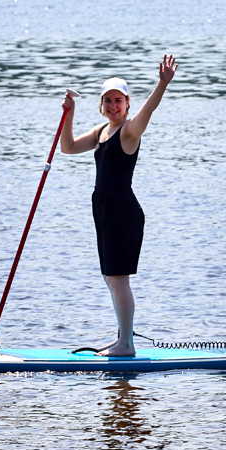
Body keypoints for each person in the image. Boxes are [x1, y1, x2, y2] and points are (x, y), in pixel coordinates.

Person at [60, 55, 178, 356]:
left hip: (122, 211)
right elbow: (69, 147)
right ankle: (122, 338)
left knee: (118, 277)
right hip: (103, 209)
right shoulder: (102, 132)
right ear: (102, 105)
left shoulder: (128, 131)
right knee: (110, 277)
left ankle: (126, 344)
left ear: (127, 104)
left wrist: (162, 84)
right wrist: (69, 113)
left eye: (118, 101)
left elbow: (148, 111)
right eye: (108, 101)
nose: (113, 106)